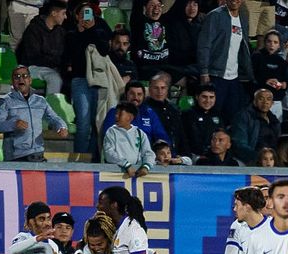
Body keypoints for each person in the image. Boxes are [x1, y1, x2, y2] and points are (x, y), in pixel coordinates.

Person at [0, 65, 69, 161]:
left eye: (24, 76)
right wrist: (13, 124)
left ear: (30, 80)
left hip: (38, 156)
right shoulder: (5, 101)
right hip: (16, 158)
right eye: (17, 77)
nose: (21, 79)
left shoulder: (40, 101)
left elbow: (53, 117)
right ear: (12, 81)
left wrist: (61, 126)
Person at [64, 1, 112, 155]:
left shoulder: (100, 28)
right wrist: (83, 32)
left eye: (89, 12)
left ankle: (92, 159)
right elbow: (74, 56)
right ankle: (81, 160)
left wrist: (91, 30)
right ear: (77, 16)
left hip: (99, 80)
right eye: (83, 13)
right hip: (80, 80)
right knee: (84, 124)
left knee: (97, 123)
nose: (86, 16)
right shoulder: (71, 32)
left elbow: (104, 50)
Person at [197, 0, 253, 123]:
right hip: (215, 75)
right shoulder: (215, 16)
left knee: (231, 118)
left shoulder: (243, 17)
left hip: (234, 78)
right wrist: (204, 72)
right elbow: (204, 45)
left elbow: (243, 46)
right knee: (213, 116)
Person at [16, 0, 68, 95]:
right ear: (53, 13)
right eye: (63, 13)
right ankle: (51, 107)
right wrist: (56, 63)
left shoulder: (61, 32)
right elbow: (34, 56)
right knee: (54, 78)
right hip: (32, 67)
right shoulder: (33, 29)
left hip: (52, 67)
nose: (65, 17)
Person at [101, 81, 171, 146]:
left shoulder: (150, 113)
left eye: (139, 94)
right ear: (126, 95)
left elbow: (161, 135)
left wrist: (164, 149)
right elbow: (108, 136)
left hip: (147, 155)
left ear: (144, 96)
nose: (136, 97)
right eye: (132, 94)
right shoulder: (114, 112)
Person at [103, 101, 156, 176]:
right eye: (116, 113)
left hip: (136, 173)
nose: (116, 116)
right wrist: (126, 165)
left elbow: (148, 153)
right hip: (116, 173)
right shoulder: (111, 132)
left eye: (120, 114)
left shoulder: (140, 133)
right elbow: (109, 153)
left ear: (130, 117)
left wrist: (146, 166)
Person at [231, 89, 281, 165]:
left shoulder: (274, 120)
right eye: (261, 99)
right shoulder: (244, 116)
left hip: (271, 161)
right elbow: (239, 144)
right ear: (254, 101)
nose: (265, 102)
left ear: (272, 103)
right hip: (251, 160)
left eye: (268, 99)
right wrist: (258, 157)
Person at [252, 30, 288, 119]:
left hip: (276, 101)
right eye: (269, 41)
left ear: (279, 45)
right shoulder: (257, 57)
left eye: (275, 42)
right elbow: (251, 78)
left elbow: (286, 83)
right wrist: (265, 81)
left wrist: (282, 85)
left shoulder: (281, 61)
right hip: (260, 100)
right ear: (265, 43)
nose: (272, 44)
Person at [180, 83, 223, 158]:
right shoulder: (188, 115)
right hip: (194, 155)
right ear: (197, 97)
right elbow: (188, 139)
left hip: (215, 154)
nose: (208, 100)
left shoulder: (218, 114)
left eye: (211, 97)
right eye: (204, 97)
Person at [145, 73, 184, 154]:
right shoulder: (143, 109)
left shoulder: (174, 110)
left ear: (167, 90)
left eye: (163, 88)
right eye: (156, 88)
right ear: (149, 89)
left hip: (172, 155)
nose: (160, 91)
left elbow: (180, 135)